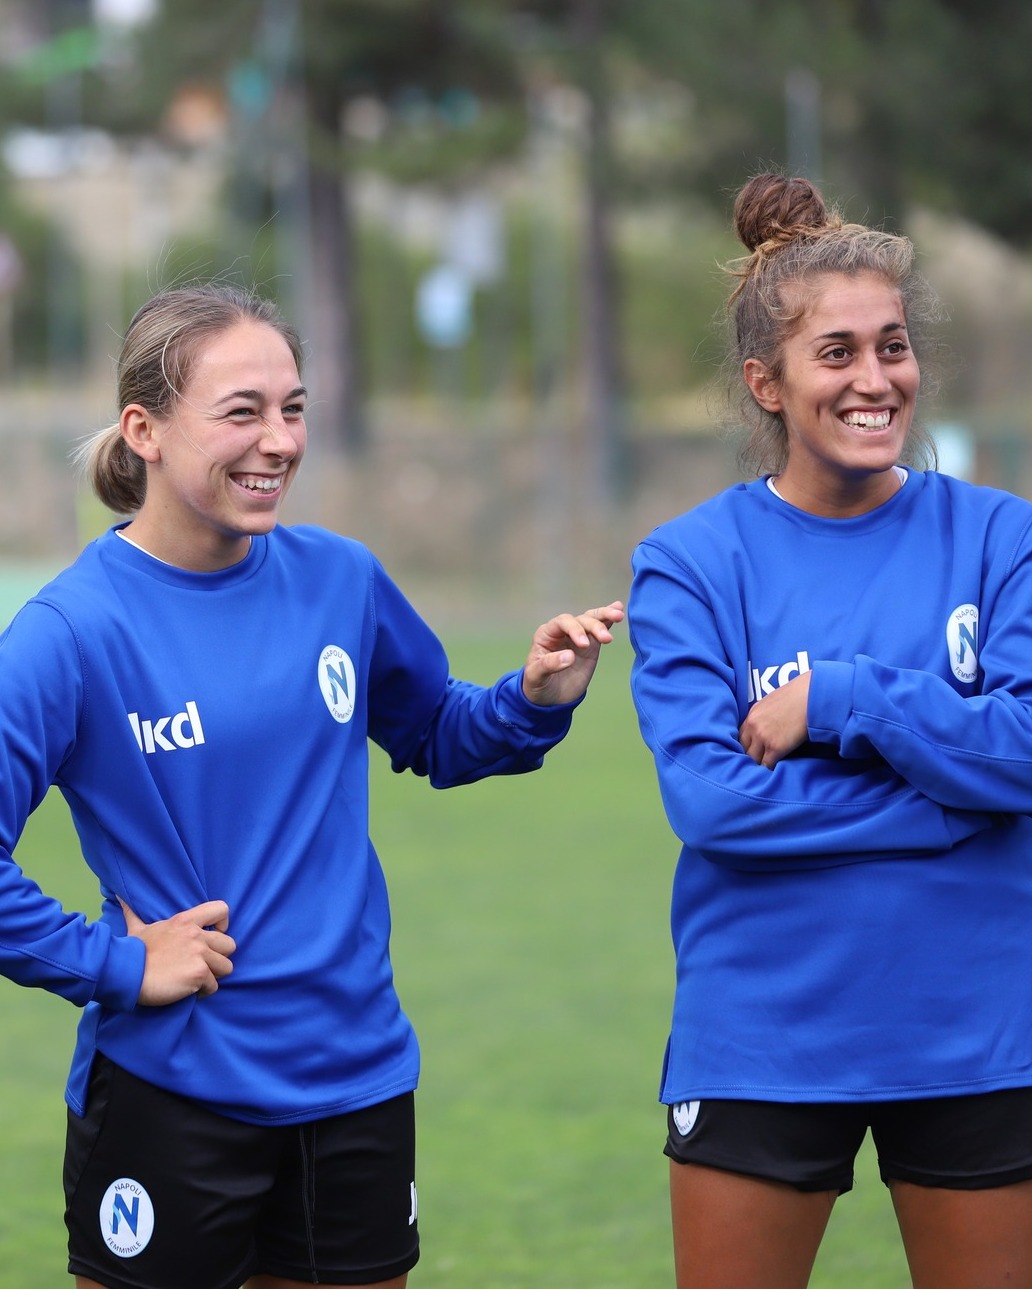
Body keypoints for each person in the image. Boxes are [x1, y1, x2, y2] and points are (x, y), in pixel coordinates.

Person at [0, 282, 624, 1289]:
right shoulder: (71, 634)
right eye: (242, 412)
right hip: (174, 1089)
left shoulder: (340, 578)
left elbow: (437, 733)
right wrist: (114, 965)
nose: (279, 441)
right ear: (144, 430)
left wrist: (532, 699)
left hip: (356, 1077)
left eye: (293, 409)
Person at [627, 171, 1032, 1289]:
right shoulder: (689, 564)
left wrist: (846, 701)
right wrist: (958, 804)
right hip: (764, 1033)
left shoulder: (1001, 539)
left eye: (891, 346)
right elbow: (711, 804)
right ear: (767, 382)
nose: (875, 379)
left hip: (979, 1030)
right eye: (838, 353)